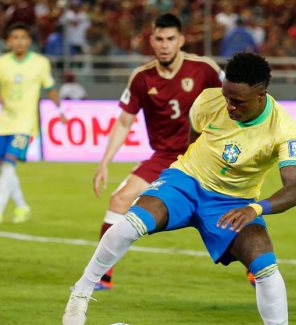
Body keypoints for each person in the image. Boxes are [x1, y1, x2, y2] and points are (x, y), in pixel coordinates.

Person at [62, 52, 296, 325]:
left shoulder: (285, 129)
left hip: (234, 204)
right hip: (188, 180)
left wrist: (254, 208)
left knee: (266, 265)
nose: (229, 106)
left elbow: (294, 191)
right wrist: (183, 175)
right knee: (132, 222)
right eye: (227, 97)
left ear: (261, 95)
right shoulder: (210, 100)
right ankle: (82, 291)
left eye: (238, 101)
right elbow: (193, 138)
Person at [93, 13, 222, 291]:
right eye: (159, 39)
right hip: (164, 156)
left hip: (202, 155)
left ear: (181, 40)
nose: (165, 45)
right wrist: (104, 162)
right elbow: (124, 121)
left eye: (170, 39)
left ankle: (256, 271)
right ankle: (102, 278)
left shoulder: (204, 69)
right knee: (119, 200)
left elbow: (232, 102)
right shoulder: (141, 77)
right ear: (152, 40)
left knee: (225, 211)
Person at [0, 23, 66, 225]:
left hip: (25, 124)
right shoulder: (1, 63)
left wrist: (60, 110)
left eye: (23, 37)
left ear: (29, 41)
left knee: (9, 163)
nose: (19, 41)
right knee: (3, 167)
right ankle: (22, 206)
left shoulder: (40, 63)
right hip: (4, 123)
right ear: (9, 41)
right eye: (15, 37)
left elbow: (50, 87)